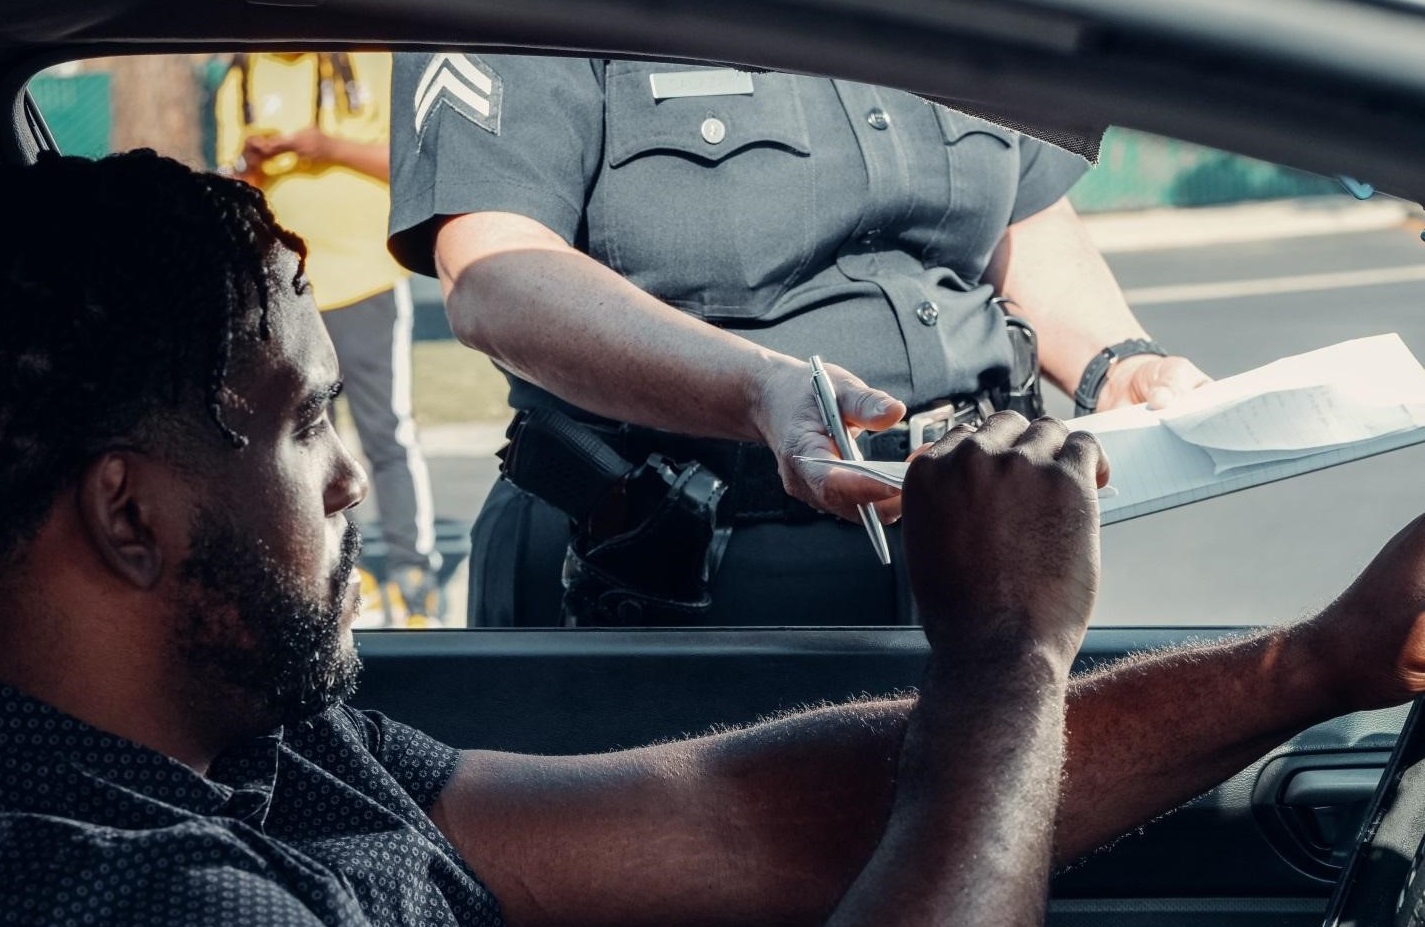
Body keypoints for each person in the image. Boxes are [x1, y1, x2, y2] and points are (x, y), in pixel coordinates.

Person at [8, 150, 1425, 927]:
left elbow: (723, 822)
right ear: (130, 513)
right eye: (308, 421)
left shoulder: (259, 739)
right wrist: (1004, 663)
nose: (353, 478)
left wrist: (1312, 664)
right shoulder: (129, 884)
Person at [385, 54, 1212, 628]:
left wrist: (1118, 365)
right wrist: (759, 392)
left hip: (982, 538)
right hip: (671, 565)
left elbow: (1019, 205)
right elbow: (493, 273)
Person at [215, 51, 443, 626]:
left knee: (387, 432)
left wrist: (326, 147)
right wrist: (252, 160)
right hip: (291, 291)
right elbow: (235, 185)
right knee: (307, 441)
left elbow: (414, 164)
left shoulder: (366, 62)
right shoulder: (242, 75)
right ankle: (344, 572)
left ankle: (416, 579)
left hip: (365, 280)